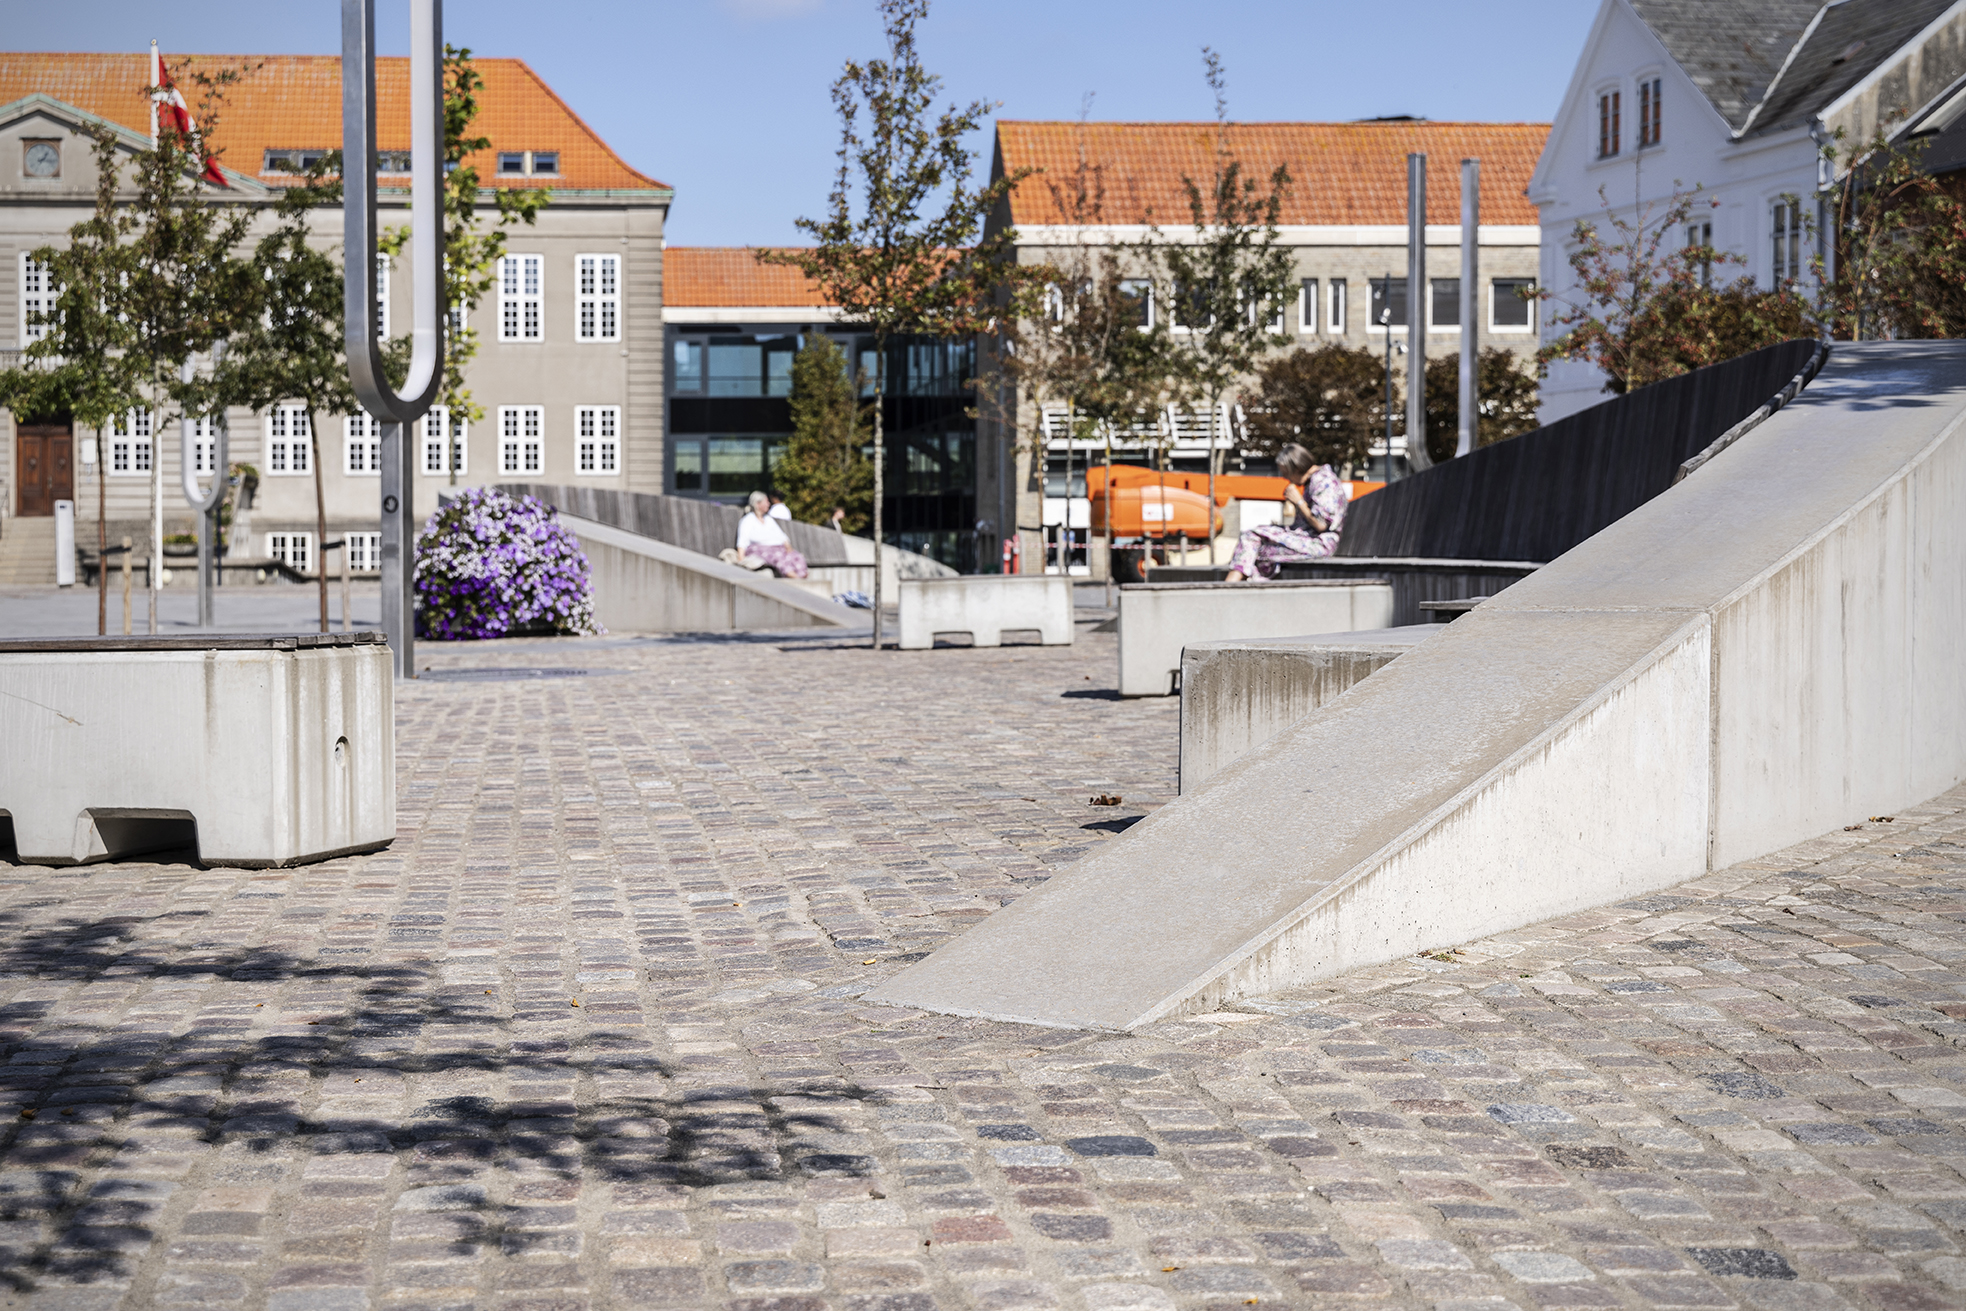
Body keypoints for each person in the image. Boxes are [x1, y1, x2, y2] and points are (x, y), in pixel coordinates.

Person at [1225, 443, 1351, 582]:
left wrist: (1299, 501)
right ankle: (1235, 589)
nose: (1286, 478)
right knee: (1254, 550)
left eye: (1286, 473)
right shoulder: (1315, 481)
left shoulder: (1324, 482)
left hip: (1319, 545)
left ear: (1297, 468)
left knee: (1251, 537)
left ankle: (1228, 588)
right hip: (1308, 540)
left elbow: (1321, 524)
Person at [720, 490, 809, 578]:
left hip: (778, 548)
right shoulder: (748, 520)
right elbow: (742, 540)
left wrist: (788, 547)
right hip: (760, 550)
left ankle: (802, 578)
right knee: (778, 558)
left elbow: (782, 536)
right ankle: (794, 578)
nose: (768, 504)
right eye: (766, 501)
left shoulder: (768, 519)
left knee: (797, 556)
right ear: (758, 504)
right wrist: (741, 559)